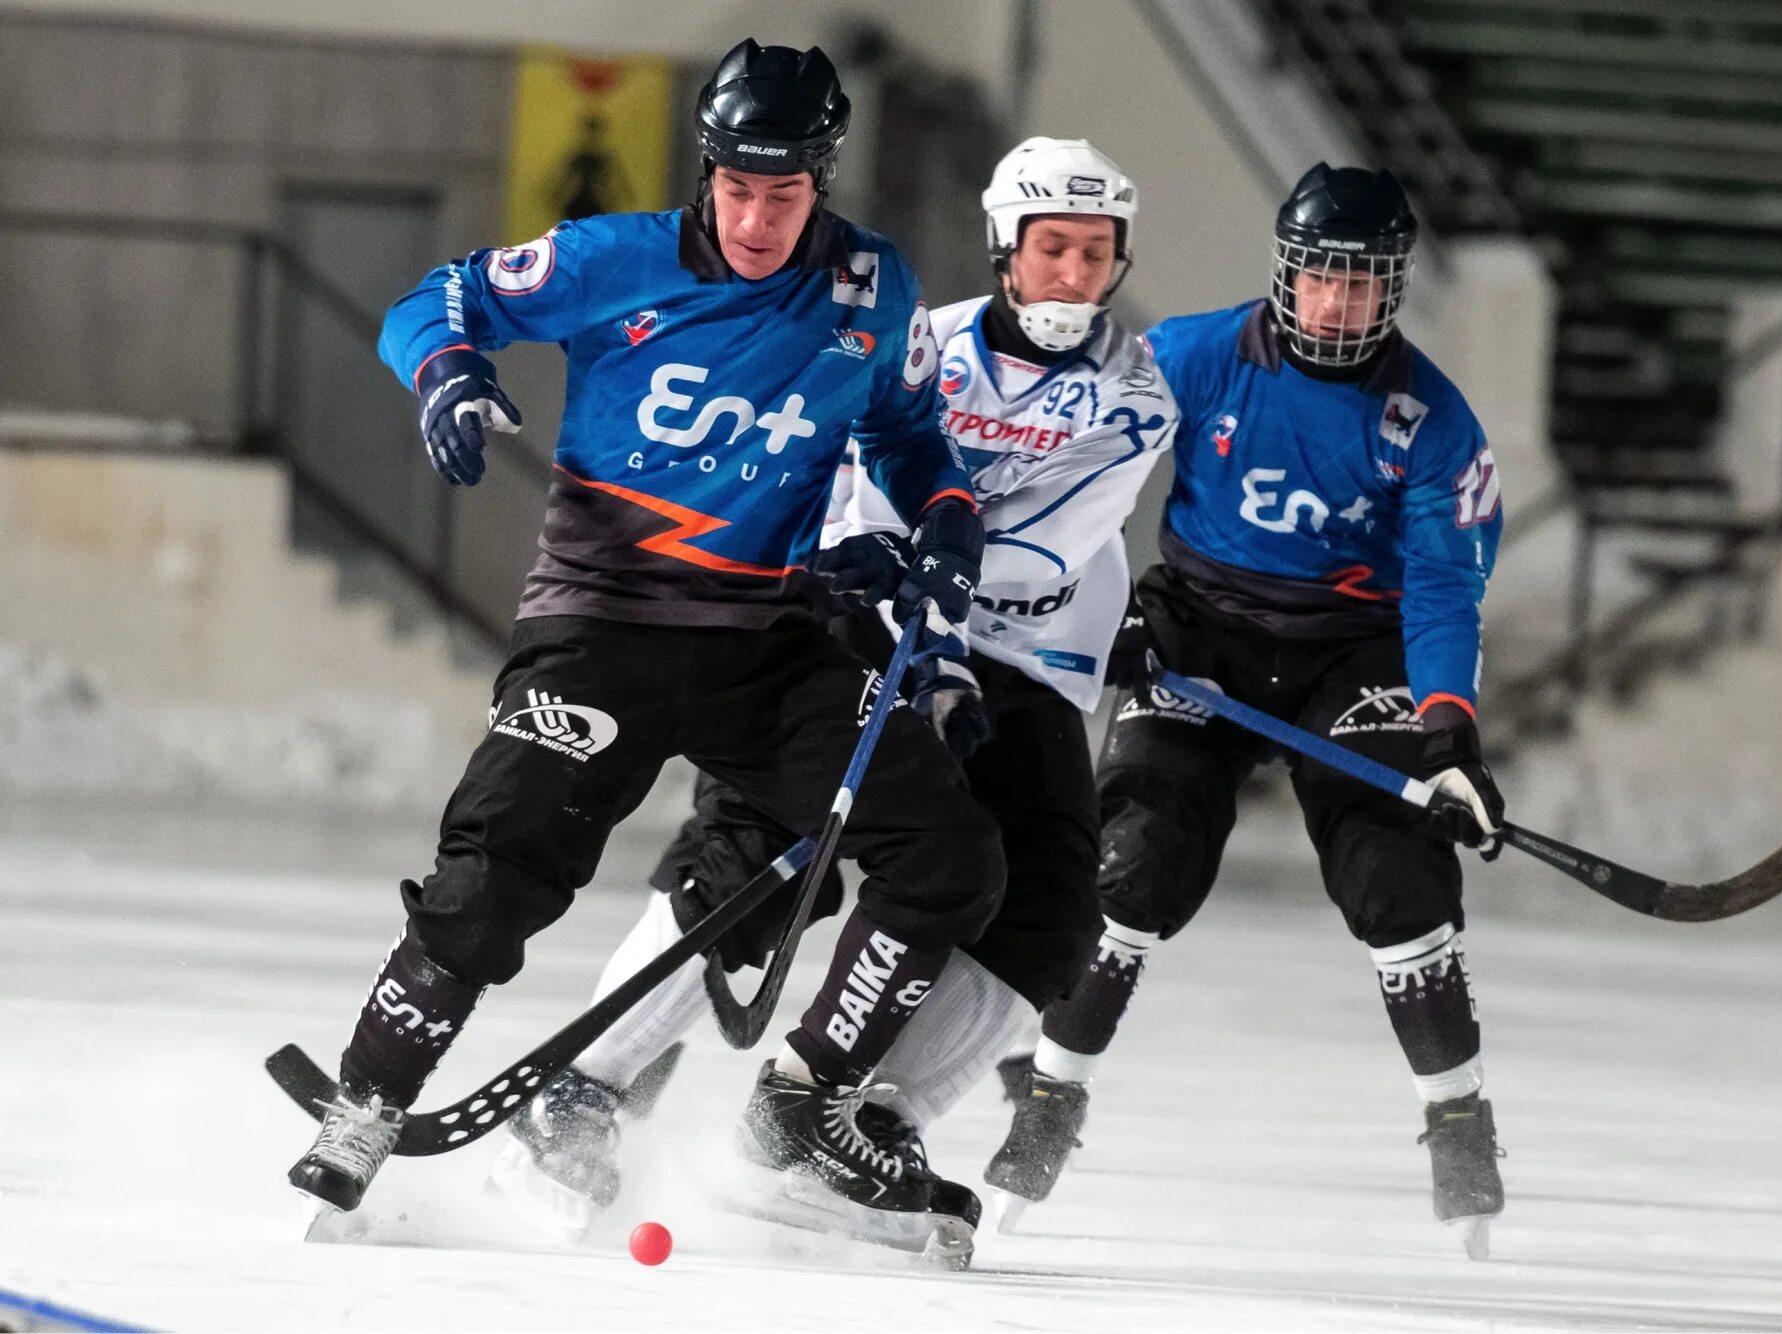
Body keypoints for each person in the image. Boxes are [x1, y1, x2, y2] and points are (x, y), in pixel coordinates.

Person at [285, 39, 1006, 1232]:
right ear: (707, 171)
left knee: (949, 852)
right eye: (736, 190)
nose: (758, 218)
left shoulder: (872, 289)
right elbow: (438, 299)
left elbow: (910, 432)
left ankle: (804, 1100)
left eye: (783, 195)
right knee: (495, 870)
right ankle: (365, 1103)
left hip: (766, 647)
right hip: (600, 628)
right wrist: (447, 375)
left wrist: (943, 512)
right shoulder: (611, 258)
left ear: (820, 179)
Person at [487, 136, 1180, 1245]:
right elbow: (846, 454)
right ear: (1007, 246)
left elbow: (1046, 551)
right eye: (1050, 246)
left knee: (1050, 901)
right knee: (773, 838)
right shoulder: (922, 335)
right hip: (864, 615)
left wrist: (922, 575)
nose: (1071, 274)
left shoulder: (1134, 393)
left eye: (1095, 253)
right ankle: (585, 1085)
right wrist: (858, 555)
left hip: (1021, 654)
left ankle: (836, 1117)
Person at [984, 163, 1511, 1258]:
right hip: (1200, 629)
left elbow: (1445, 583)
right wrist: (1104, 606)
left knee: (1395, 872)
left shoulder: (1432, 421)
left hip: (1346, 649)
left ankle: (1457, 1110)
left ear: (1392, 291)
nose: (1333, 305)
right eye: (1319, 278)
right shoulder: (1191, 355)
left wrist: (1448, 726)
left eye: (1360, 286)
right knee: (1136, 856)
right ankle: (1049, 1094)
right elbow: (1074, 483)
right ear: (1285, 270)